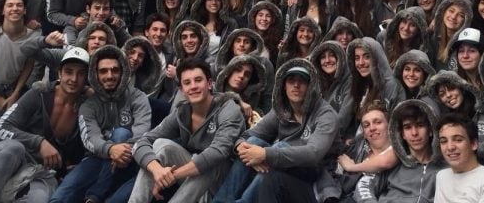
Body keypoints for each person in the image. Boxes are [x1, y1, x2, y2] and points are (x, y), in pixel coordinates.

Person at [0, 47, 91, 203]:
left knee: (41, 199)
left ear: (87, 78)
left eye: (81, 74)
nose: (74, 79)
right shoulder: (39, 93)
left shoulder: (88, 107)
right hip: (11, 161)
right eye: (69, 72)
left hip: (42, 175)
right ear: (59, 73)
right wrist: (38, 142)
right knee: (13, 147)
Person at [212, 59, 338, 203]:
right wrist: (240, 146)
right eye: (291, 80)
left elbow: (313, 154)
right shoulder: (281, 109)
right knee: (252, 142)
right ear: (283, 85)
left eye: (302, 81)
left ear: (311, 86)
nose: (296, 85)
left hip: (315, 174)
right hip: (283, 166)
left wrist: (265, 154)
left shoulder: (325, 114)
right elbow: (249, 135)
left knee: (279, 147)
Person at [126, 58, 245, 203]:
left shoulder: (228, 108)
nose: (193, 86)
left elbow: (219, 151)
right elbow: (142, 141)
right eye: (187, 83)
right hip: (191, 187)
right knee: (161, 145)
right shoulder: (181, 112)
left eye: (198, 80)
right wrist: (157, 170)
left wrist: (172, 175)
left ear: (209, 84)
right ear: (182, 90)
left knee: (209, 161)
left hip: (220, 189)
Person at [49, 45, 151, 203]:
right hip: (96, 159)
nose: (109, 75)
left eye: (114, 70)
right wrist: (111, 149)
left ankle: (94, 196)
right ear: (95, 74)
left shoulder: (138, 97)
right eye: (103, 71)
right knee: (59, 197)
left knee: (121, 134)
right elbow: (90, 138)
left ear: (123, 71)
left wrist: (122, 150)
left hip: (132, 161)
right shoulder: (88, 105)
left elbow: (142, 133)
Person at [355, 99, 445, 203]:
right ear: (402, 134)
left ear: (430, 130)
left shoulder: (445, 168)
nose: (414, 133)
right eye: (407, 127)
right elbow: (363, 186)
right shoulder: (393, 162)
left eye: (420, 125)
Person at [434, 113, 484, 202]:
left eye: (458, 140)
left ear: (474, 144)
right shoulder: (442, 176)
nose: (450, 147)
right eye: (443, 141)